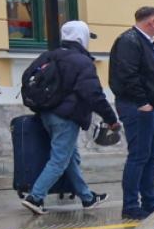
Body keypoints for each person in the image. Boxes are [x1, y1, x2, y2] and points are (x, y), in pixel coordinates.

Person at [19, 20, 117, 215]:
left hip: (46, 114)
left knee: (70, 158)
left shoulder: (48, 56)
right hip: (67, 117)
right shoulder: (81, 61)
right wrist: (110, 117)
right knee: (59, 160)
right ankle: (35, 197)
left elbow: (26, 78)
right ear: (82, 37)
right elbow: (93, 93)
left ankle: (87, 198)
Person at [108, 5, 154, 220]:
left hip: (152, 108)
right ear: (151, 22)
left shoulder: (146, 42)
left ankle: (149, 201)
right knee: (139, 156)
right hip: (139, 109)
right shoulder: (130, 41)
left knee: (149, 156)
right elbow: (127, 75)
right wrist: (143, 102)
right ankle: (131, 205)